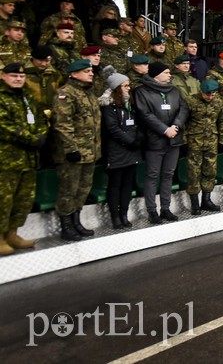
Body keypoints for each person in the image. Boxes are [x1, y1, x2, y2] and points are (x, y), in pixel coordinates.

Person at [0, 62, 48, 254]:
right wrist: (32, 138)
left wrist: (41, 134)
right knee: (4, 200)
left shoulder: (27, 97)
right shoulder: (2, 98)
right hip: (6, 159)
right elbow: (4, 126)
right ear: (3, 76)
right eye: (14, 76)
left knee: (23, 200)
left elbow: (41, 120)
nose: (19, 79)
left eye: (21, 76)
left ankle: (13, 233)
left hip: (28, 159)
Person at [52, 59, 102, 241]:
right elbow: (63, 125)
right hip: (72, 153)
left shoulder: (88, 93)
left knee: (83, 189)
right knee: (68, 190)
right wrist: (71, 149)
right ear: (73, 74)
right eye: (86, 71)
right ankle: (66, 226)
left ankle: (76, 221)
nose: (91, 73)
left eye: (91, 70)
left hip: (90, 151)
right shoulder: (66, 94)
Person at [134, 62, 188, 223]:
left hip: (174, 140)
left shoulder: (174, 90)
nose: (169, 75)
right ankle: (152, 211)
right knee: (152, 176)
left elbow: (183, 109)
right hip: (155, 140)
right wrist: (165, 130)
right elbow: (145, 114)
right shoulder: (142, 91)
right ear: (156, 75)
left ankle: (166, 208)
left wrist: (176, 126)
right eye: (166, 72)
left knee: (168, 174)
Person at [99, 73, 140, 229]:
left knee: (127, 184)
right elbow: (112, 128)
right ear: (116, 88)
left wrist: (138, 139)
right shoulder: (109, 105)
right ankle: (115, 216)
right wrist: (130, 141)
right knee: (115, 184)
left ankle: (124, 213)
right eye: (125, 86)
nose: (128, 88)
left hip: (132, 151)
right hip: (116, 150)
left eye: (129, 85)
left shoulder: (129, 104)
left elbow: (137, 123)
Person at [185, 78, 223, 215]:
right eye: (207, 94)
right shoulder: (191, 101)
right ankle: (195, 203)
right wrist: (184, 141)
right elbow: (183, 121)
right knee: (194, 172)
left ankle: (206, 200)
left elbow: (222, 121)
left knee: (210, 171)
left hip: (211, 141)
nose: (210, 97)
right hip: (194, 141)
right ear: (200, 91)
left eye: (213, 95)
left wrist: (222, 139)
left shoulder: (219, 102)